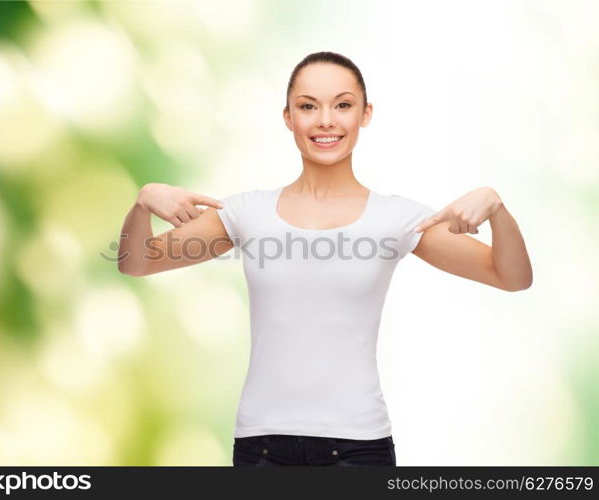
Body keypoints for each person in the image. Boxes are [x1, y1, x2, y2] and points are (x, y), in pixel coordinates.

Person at [117, 51, 533, 467]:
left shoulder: (397, 218)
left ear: (365, 114)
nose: (326, 121)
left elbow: (511, 276)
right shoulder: (247, 213)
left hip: (358, 446)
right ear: (288, 117)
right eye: (308, 106)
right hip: (262, 445)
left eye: (343, 105)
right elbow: (137, 262)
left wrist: (496, 208)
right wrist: (142, 204)